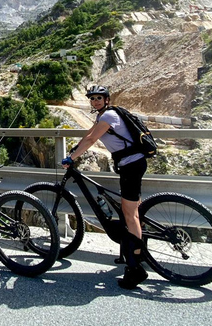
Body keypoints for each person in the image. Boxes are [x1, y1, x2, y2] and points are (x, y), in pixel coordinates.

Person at [62, 85, 149, 290]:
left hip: (131, 165)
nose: (95, 101)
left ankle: (136, 267)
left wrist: (72, 158)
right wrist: (74, 150)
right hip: (131, 164)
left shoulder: (108, 116)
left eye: (99, 98)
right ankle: (137, 249)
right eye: (92, 99)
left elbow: (93, 139)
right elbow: (89, 135)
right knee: (132, 208)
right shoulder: (103, 117)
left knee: (130, 215)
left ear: (107, 99)